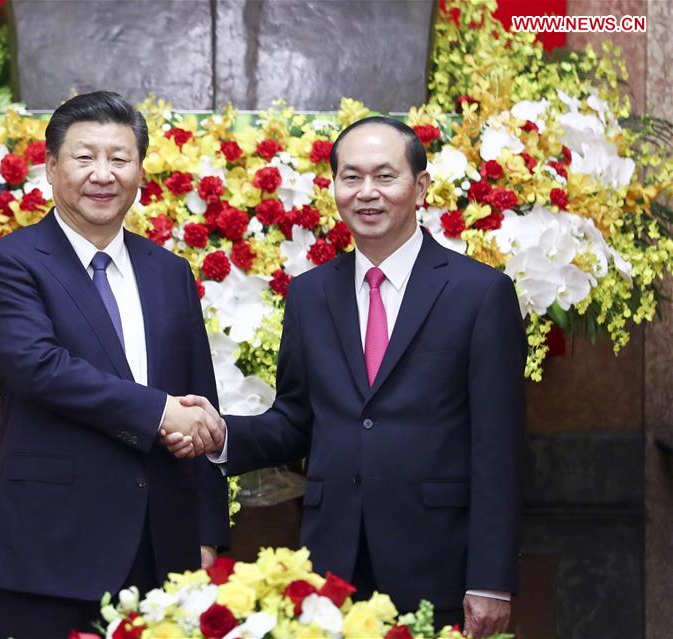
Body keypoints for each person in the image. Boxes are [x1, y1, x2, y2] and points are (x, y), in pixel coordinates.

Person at [169, 116, 526, 638]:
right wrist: (223, 435)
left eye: (385, 176)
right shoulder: (310, 293)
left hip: (438, 559)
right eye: (351, 177)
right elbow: (295, 421)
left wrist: (491, 579)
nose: (367, 192)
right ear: (334, 187)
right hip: (331, 564)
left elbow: (499, 448)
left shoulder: (480, 293)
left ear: (421, 187)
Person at [0, 90, 228, 639]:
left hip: (163, 548)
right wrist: (159, 412)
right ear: (51, 167)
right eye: (85, 157)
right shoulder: (8, 264)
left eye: (119, 158)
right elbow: (39, 368)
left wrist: (207, 534)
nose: (103, 174)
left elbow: (200, 400)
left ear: (140, 171)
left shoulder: (170, 272)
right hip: (52, 548)